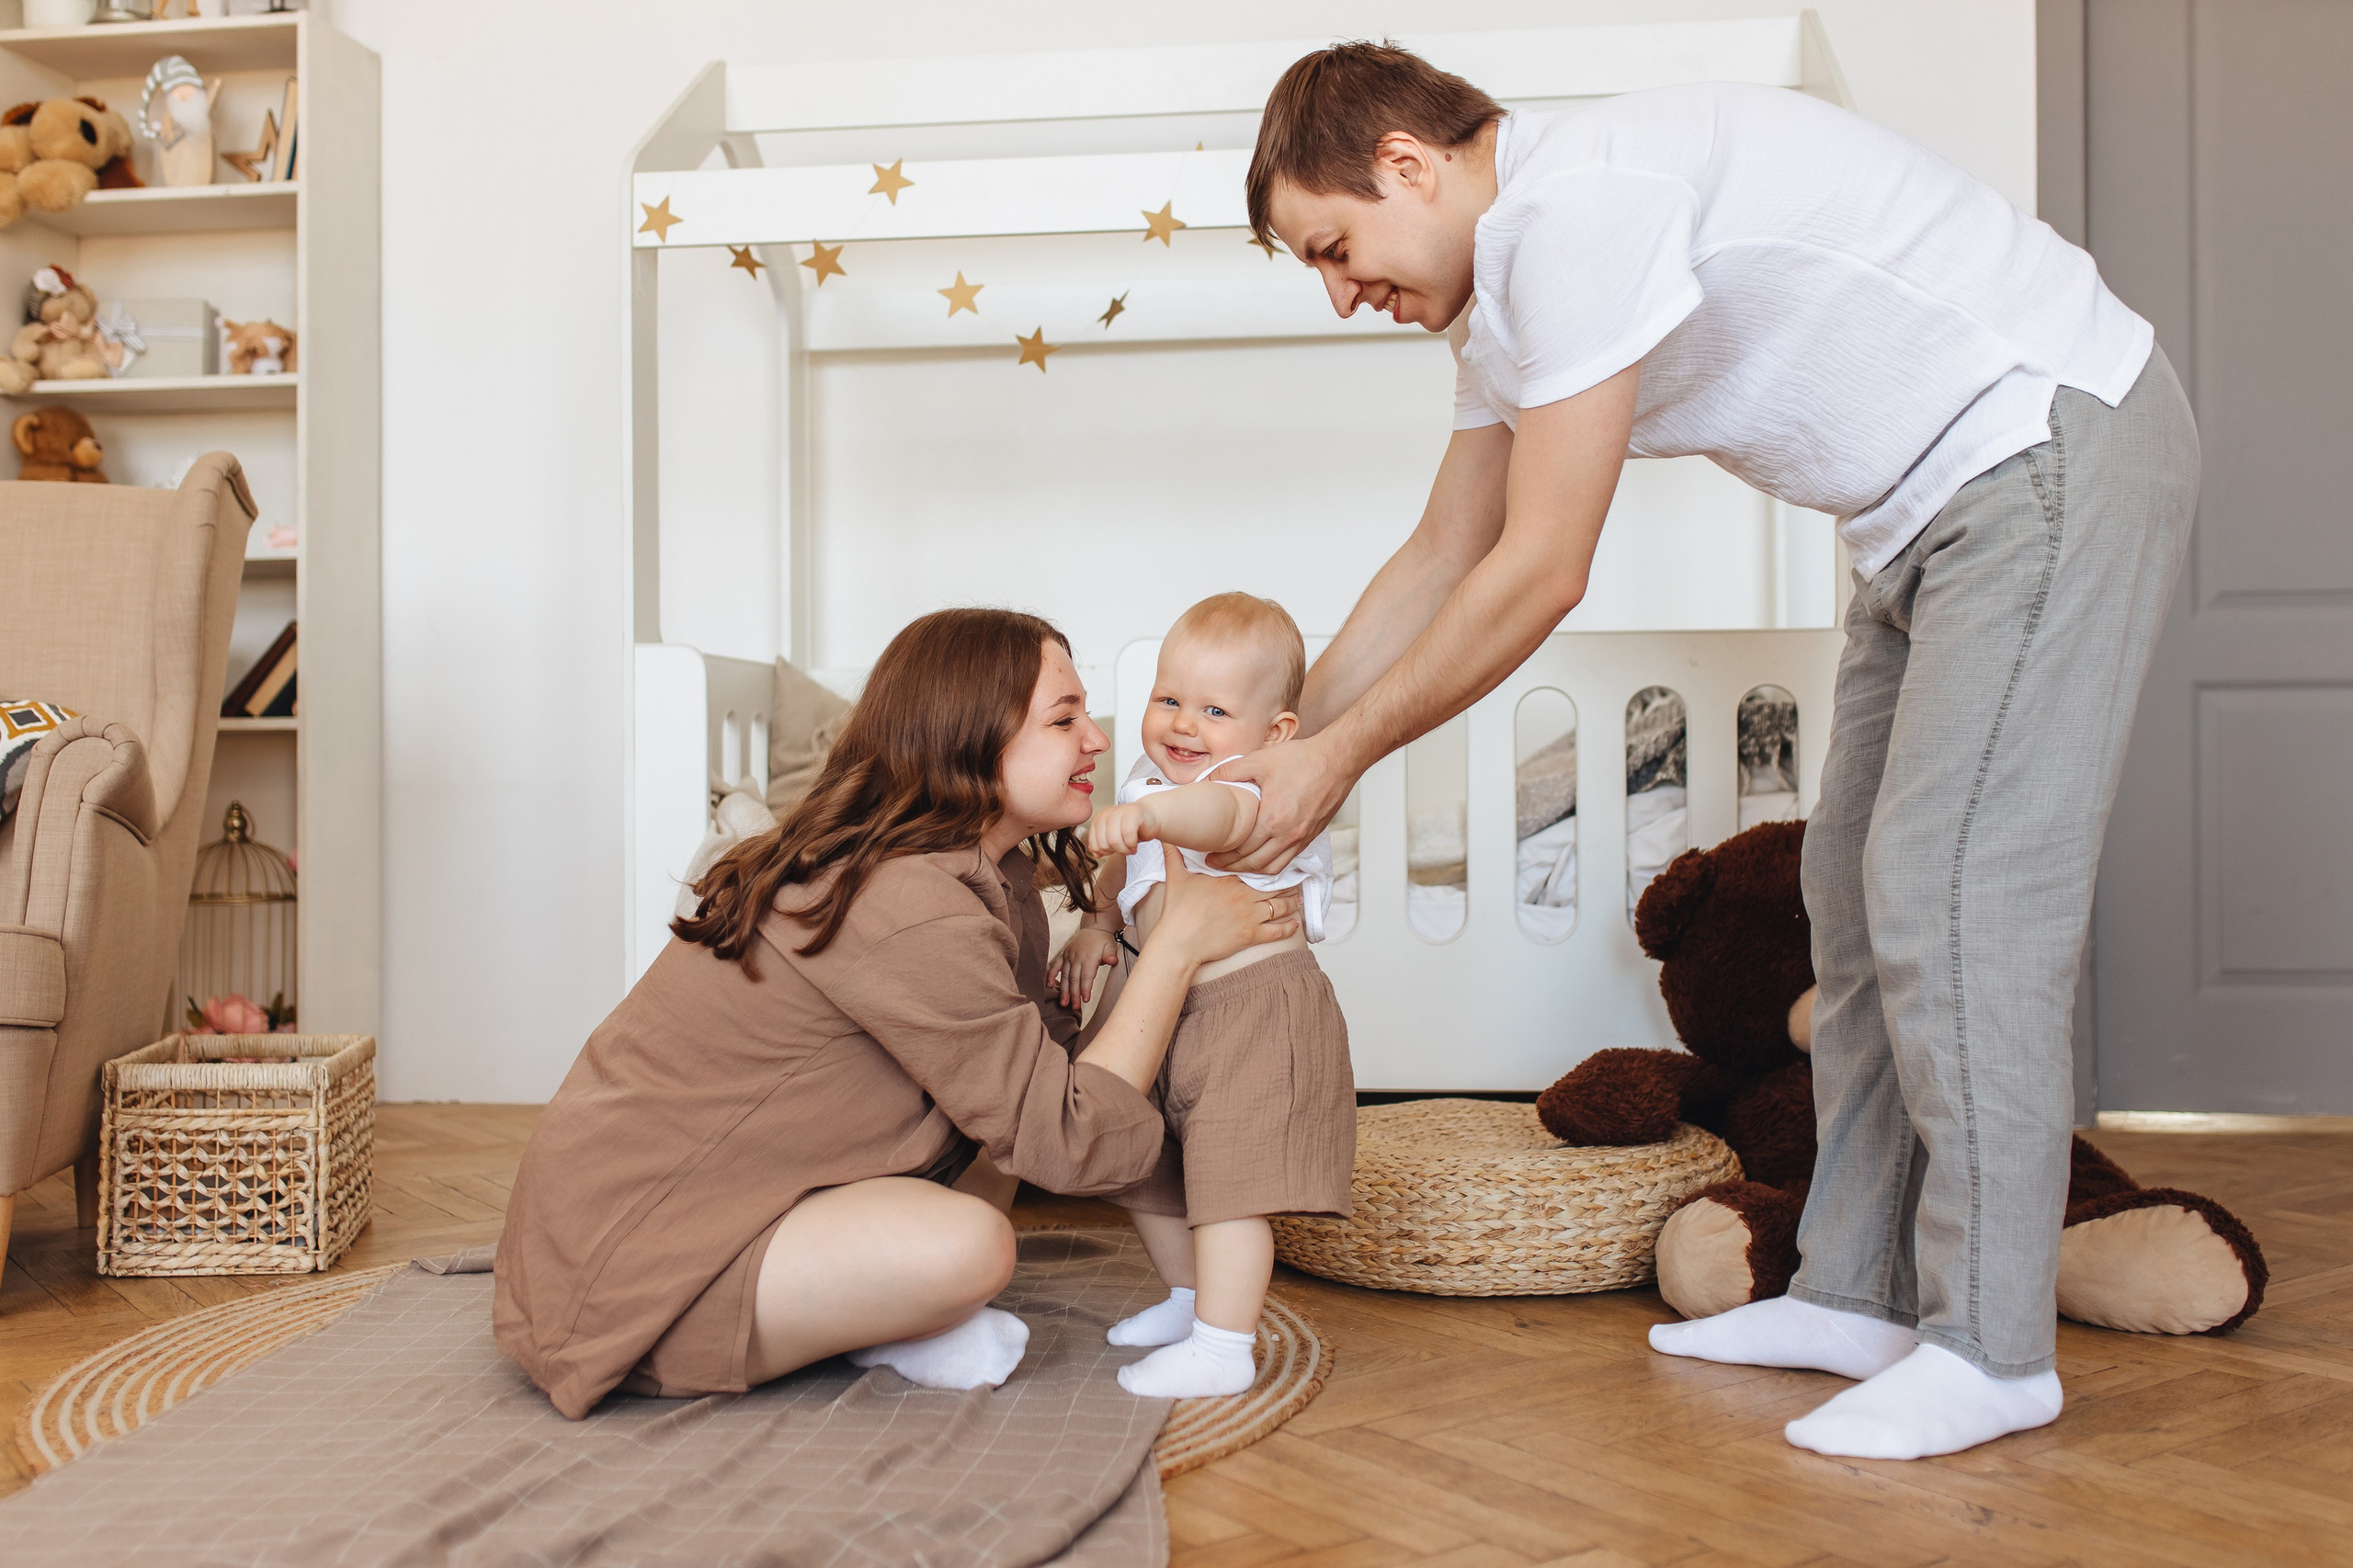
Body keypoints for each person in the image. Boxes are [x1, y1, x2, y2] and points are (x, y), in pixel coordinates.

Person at [1222, 43, 2196, 1460]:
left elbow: (1542, 569)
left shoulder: (1575, 212)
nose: (1339, 289)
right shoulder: (1500, 313)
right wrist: (1286, 745)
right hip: (1919, 519)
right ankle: (1855, 1290)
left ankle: (1991, 1347)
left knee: (1953, 896)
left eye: (1336, 245)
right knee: (1850, 910)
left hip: (2044, 443)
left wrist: (1345, 758)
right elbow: (1445, 551)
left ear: (1407, 166)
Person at [494, 608, 1302, 1419]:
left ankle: (878, 1320)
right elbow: (1067, 1136)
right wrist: (1176, 949)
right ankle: (866, 1325)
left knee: (992, 1162)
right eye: (1064, 719)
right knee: (972, 1245)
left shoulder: (988, 874)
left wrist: (1118, 939)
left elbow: (1039, 1088)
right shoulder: (908, 898)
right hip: (627, 1260)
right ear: (971, 740)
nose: (1097, 739)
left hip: (732, 1194)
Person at [1050, 592, 1351, 1398]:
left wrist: (1149, 813)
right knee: (1138, 1160)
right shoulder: (1155, 781)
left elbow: (1214, 819)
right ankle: (1189, 1301)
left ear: (1275, 732)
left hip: (1251, 1008)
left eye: (1214, 709)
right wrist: (1095, 924)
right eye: (1168, 699)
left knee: (1229, 1186)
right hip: (1163, 992)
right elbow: (1124, 871)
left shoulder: (1258, 785)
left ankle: (1223, 1346)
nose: (1184, 725)